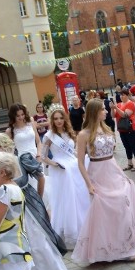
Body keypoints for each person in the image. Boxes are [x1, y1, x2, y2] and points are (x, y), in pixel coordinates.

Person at [0, 134, 74, 270]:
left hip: (28, 208)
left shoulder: (22, 158)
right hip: (9, 211)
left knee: (39, 245)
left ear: (7, 146)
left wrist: (38, 199)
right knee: (21, 249)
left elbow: (40, 177)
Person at [72, 99, 135, 265]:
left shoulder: (106, 129)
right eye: (103, 110)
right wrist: (89, 184)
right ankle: (109, 248)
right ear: (95, 112)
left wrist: (122, 173)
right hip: (97, 173)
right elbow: (79, 162)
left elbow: (111, 157)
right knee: (106, 210)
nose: (106, 112)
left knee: (125, 202)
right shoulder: (83, 134)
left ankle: (128, 246)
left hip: (112, 170)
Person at [41, 105, 91, 245]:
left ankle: (84, 225)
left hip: (73, 165)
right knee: (67, 198)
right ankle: (69, 230)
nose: (58, 121)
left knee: (79, 195)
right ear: (52, 120)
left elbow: (74, 151)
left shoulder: (69, 133)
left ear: (65, 118)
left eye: (61, 118)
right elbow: (43, 156)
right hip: (61, 169)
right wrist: (54, 164)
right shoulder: (48, 136)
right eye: (56, 118)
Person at [6, 103, 45, 196]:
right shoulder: (10, 130)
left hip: (36, 155)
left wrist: (39, 154)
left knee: (42, 181)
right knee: (31, 185)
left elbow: (39, 142)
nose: (21, 117)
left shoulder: (30, 122)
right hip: (22, 160)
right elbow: (10, 151)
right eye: (18, 115)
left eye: (22, 114)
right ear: (13, 116)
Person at [114, 89, 135, 171]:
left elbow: (125, 115)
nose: (121, 96)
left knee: (133, 145)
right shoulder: (119, 104)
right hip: (121, 129)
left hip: (130, 128)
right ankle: (130, 163)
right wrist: (113, 108)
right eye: (120, 95)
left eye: (123, 95)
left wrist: (116, 107)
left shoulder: (131, 104)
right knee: (126, 146)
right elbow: (113, 115)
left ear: (127, 95)